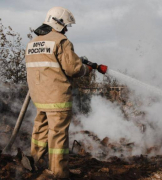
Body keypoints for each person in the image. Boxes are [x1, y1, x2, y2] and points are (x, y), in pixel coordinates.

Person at [25, 7, 92, 179]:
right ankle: (58, 173)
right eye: (66, 26)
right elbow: (73, 68)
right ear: (58, 22)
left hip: (39, 97)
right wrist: (87, 69)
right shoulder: (61, 41)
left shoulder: (33, 43)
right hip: (57, 98)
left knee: (40, 130)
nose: (66, 29)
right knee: (58, 136)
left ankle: (35, 163)